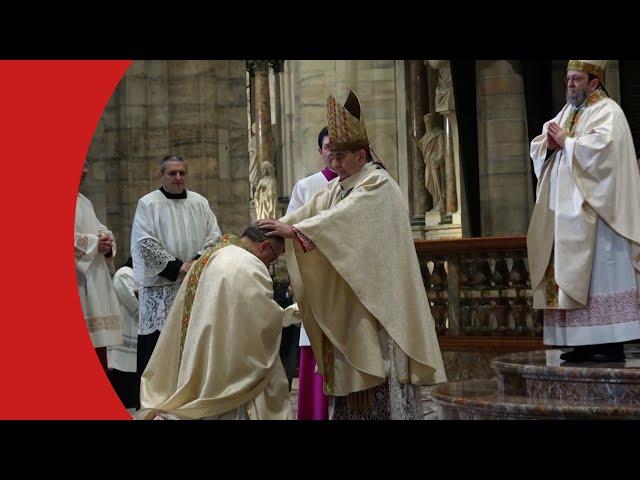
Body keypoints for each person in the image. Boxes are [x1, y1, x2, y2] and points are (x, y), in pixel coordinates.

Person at [260, 91, 447, 420]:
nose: (334, 163)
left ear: (362, 155)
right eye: (332, 155)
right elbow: (310, 211)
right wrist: (276, 229)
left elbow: (341, 220)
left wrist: (298, 233)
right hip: (352, 304)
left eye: (341, 156)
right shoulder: (341, 185)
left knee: (381, 391)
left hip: (378, 309)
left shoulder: (377, 185)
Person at [527, 60, 640, 363]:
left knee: (598, 277)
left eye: (577, 79)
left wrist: (568, 142)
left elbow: (605, 155)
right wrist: (549, 145)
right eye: (568, 80)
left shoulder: (609, 112)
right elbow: (542, 142)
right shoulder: (568, 112)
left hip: (598, 219)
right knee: (567, 276)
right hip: (564, 218)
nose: (570, 85)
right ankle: (580, 342)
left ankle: (608, 341)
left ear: (594, 82)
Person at [134, 223, 293, 420]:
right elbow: (261, 320)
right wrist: (289, 314)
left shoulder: (210, 257)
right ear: (263, 246)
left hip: (199, 355)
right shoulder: (249, 265)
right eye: (273, 258)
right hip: (229, 373)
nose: (270, 265)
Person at [131, 154, 222, 405]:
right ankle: (156, 400)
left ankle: (190, 398)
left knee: (191, 343)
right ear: (161, 175)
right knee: (158, 345)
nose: (178, 177)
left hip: (193, 285)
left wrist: (196, 263)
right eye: (172, 173)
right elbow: (144, 243)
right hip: (161, 289)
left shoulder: (200, 202)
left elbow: (214, 237)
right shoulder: (148, 204)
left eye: (182, 172)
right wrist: (178, 267)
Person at [286, 126, 337, 420]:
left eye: (337, 147)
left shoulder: (360, 184)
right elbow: (292, 232)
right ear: (320, 151)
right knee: (315, 342)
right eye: (328, 146)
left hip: (348, 280)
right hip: (316, 280)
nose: (332, 152)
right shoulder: (306, 187)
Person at [75, 162, 123, 373]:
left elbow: (98, 228)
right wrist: (95, 243)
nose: (86, 171)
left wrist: (105, 240)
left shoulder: (84, 201)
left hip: (91, 283)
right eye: (81, 166)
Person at [107, 257, 139, 411]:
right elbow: (137, 308)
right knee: (125, 399)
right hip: (124, 348)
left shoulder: (143, 278)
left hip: (138, 347)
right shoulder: (125, 274)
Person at [416, 113, 445, 212]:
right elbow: (421, 145)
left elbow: (443, 149)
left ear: (433, 122)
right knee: (428, 182)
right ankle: (437, 202)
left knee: (438, 183)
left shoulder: (439, 134)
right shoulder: (426, 136)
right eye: (426, 122)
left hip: (436, 163)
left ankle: (441, 203)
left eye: (429, 122)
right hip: (429, 162)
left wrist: (438, 158)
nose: (427, 124)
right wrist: (412, 137)